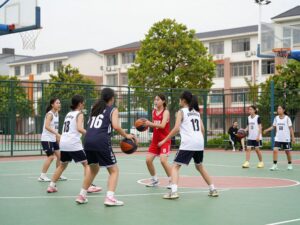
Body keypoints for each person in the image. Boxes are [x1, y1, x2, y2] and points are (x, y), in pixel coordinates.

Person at [76, 88, 136, 206]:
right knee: (114, 171)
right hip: (101, 141)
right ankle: (110, 197)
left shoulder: (95, 108)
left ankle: (82, 195)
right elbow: (116, 126)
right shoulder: (112, 109)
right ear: (112, 98)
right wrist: (127, 135)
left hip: (87, 141)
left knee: (93, 169)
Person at [158, 91, 218, 199]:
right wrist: (199, 141)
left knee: (175, 167)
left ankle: (174, 192)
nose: (179, 101)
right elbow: (203, 129)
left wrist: (164, 140)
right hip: (199, 142)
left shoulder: (181, 112)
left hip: (189, 143)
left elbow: (176, 129)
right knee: (200, 167)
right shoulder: (196, 112)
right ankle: (213, 189)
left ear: (183, 100)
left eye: (180, 99)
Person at [47, 95, 101, 193]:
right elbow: (79, 128)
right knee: (87, 164)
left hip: (64, 142)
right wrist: (91, 133)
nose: (84, 104)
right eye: (83, 102)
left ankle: (51, 186)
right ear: (80, 103)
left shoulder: (69, 114)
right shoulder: (79, 114)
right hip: (73, 143)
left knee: (62, 165)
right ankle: (88, 186)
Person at [144, 94, 172, 188]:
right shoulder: (153, 112)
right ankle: (155, 180)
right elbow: (155, 126)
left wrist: (150, 124)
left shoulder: (166, 112)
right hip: (155, 141)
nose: (156, 101)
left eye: (158, 99)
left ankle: (171, 180)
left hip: (164, 140)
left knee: (163, 161)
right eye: (155, 99)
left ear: (163, 101)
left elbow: (163, 125)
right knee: (148, 160)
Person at [38, 97, 67, 182]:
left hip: (53, 139)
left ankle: (58, 174)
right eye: (57, 103)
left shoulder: (57, 113)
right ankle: (42, 176)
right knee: (51, 157)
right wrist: (57, 134)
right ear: (52, 104)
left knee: (60, 156)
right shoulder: (50, 114)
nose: (59, 104)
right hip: (47, 139)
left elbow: (55, 127)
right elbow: (47, 126)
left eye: (59, 103)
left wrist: (57, 137)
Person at [263, 105, 295, 171]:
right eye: (278, 109)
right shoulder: (276, 118)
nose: (278, 110)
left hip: (286, 138)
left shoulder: (287, 118)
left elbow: (291, 128)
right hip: (278, 138)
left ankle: (289, 164)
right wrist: (267, 130)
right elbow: (273, 127)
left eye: (280, 109)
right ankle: (274, 165)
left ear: (283, 110)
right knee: (275, 150)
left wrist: (293, 137)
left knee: (287, 152)